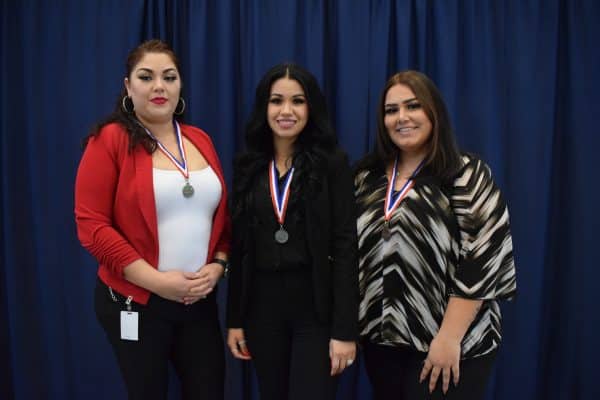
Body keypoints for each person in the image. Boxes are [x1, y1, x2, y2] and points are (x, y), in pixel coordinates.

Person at [74, 39, 230, 400]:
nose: (159, 86)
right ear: (129, 86)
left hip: (198, 302)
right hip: (136, 302)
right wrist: (156, 282)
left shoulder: (199, 139)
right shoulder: (109, 140)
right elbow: (91, 225)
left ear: (180, 86)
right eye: (146, 77)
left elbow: (221, 218)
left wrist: (219, 265)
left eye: (169, 77)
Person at [354, 70, 517, 400]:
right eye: (391, 110)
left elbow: (483, 259)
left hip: (452, 346)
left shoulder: (467, 174)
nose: (402, 118)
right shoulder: (365, 177)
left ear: (434, 112)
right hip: (382, 342)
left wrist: (448, 339)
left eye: (413, 106)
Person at [226, 63, 358, 400]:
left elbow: (345, 246)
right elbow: (239, 247)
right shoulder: (248, 165)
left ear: (310, 108)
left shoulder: (333, 164)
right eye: (276, 101)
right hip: (261, 309)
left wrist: (345, 330)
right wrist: (235, 319)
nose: (286, 111)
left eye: (298, 101)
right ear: (264, 107)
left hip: (314, 308)